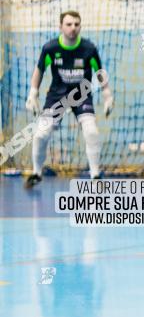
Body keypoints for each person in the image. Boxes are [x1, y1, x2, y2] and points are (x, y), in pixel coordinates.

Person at [25, 10, 113, 188]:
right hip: (57, 95)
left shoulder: (89, 49)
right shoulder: (50, 48)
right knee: (41, 133)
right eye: (69, 24)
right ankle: (36, 173)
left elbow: (100, 72)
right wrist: (33, 92)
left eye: (76, 24)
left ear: (80, 26)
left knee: (91, 132)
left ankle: (95, 175)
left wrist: (107, 94)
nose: (73, 28)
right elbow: (39, 69)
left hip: (81, 95)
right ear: (60, 26)